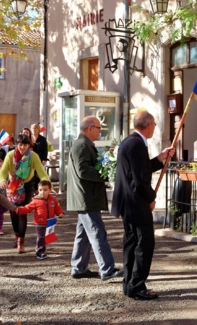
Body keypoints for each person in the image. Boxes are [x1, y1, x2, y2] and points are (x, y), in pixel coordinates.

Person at [111, 109, 175, 300]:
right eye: (154, 124)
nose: (155, 127)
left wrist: (160, 158)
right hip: (136, 202)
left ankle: (129, 284)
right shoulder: (137, 144)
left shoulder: (130, 141)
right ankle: (137, 285)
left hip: (128, 202)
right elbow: (139, 180)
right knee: (144, 244)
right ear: (148, 125)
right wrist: (151, 198)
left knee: (131, 243)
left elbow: (141, 168)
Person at [67, 116, 123, 281]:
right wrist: (105, 174)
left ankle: (78, 267)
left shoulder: (84, 144)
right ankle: (107, 269)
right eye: (99, 128)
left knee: (83, 234)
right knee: (97, 233)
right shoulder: (82, 145)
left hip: (86, 196)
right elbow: (83, 170)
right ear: (90, 128)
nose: (101, 131)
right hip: (86, 197)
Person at [0, 134, 49, 254]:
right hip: (12, 187)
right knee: (13, 213)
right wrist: (2, 181)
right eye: (20, 144)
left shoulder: (33, 156)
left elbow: (41, 172)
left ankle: (21, 242)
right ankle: (16, 236)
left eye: (25, 145)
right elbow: (2, 172)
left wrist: (47, 185)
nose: (22, 147)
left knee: (22, 213)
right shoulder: (10, 156)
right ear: (17, 144)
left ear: (28, 145)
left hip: (27, 186)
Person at [16, 180, 64, 260]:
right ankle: (40, 252)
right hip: (39, 222)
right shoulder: (36, 200)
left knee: (47, 237)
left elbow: (57, 208)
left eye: (45, 190)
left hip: (49, 222)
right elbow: (27, 208)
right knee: (41, 237)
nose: (42, 192)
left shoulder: (53, 200)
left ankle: (42, 249)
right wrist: (19, 210)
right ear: (38, 190)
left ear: (50, 190)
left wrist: (60, 213)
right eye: (40, 190)